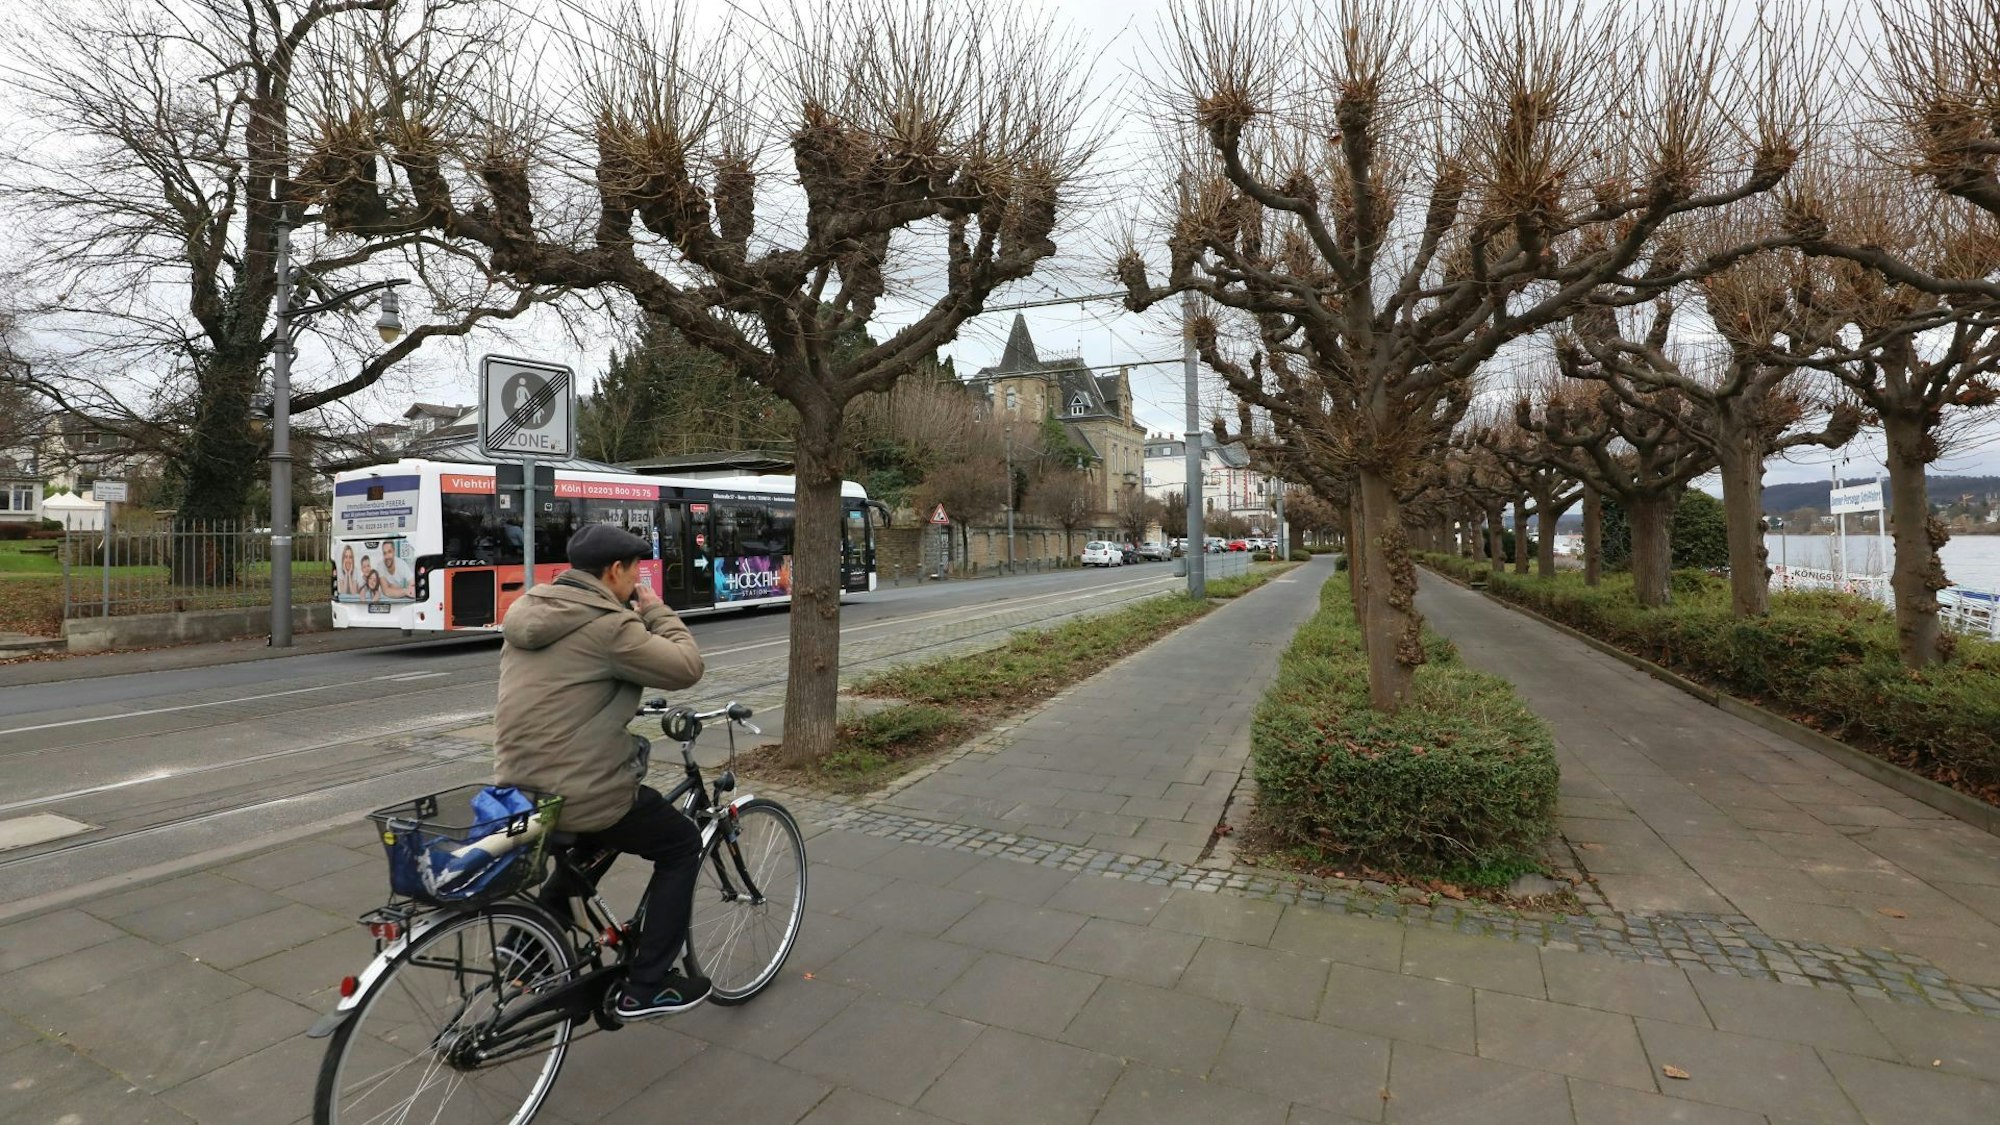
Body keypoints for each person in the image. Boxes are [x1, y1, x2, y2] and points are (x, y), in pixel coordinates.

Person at [494, 523, 709, 1020]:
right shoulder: (610, 626)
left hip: (519, 784)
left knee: (592, 840)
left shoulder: (529, 610)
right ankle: (647, 985)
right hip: (580, 788)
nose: (637, 582)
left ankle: (525, 950)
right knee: (680, 844)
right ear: (615, 570)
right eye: (635, 573)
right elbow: (686, 667)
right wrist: (654, 609)